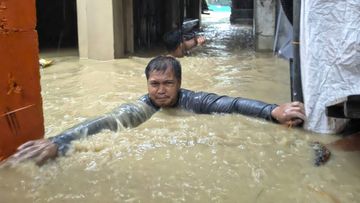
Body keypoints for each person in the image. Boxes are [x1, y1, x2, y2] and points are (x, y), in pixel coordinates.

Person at [3, 56, 305, 166]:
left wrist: (272, 111)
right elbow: (110, 120)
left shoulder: (193, 101)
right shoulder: (144, 107)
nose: (161, 91)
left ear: (180, 84)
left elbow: (234, 104)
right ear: (147, 84)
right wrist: (58, 141)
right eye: (154, 84)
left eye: (168, 84)